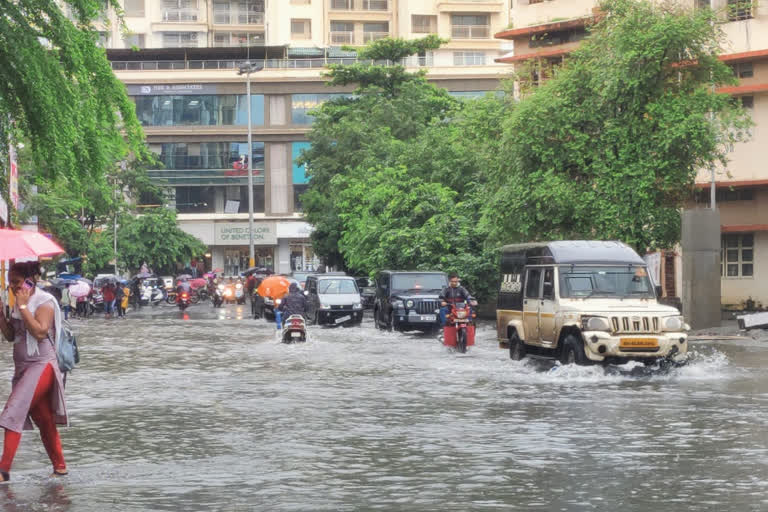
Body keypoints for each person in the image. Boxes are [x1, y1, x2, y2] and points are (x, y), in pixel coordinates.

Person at [0, 261, 68, 481]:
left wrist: (22, 307)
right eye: (10, 283)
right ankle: (60, 467)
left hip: (42, 366)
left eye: (18, 282)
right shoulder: (18, 303)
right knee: (43, 418)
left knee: (13, 411)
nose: (13, 287)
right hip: (23, 368)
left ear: (31, 281)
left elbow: (39, 332)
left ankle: (3, 470)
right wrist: (1, 316)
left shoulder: (44, 302)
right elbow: (11, 336)